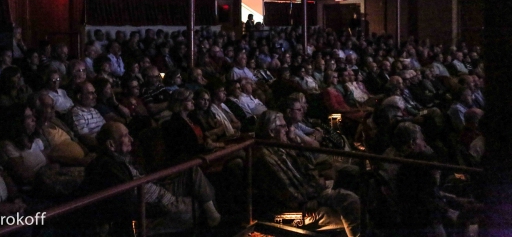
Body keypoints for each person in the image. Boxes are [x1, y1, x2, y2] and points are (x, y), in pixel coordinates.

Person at [82, 122, 221, 235]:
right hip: (155, 203)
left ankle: (212, 215)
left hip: (158, 188)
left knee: (192, 171)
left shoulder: (123, 159)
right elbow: (128, 202)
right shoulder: (109, 168)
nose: (131, 139)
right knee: (197, 206)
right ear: (111, 145)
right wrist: (164, 205)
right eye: (125, 136)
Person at [253, 110, 361, 237]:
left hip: (311, 194)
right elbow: (285, 189)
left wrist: (296, 143)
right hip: (296, 209)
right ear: (271, 132)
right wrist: (312, 198)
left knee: (352, 187)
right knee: (350, 204)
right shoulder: (265, 157)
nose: (287, 129)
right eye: (283, 126)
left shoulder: (283, 147)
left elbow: (310, 167)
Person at [70, 81, 106, 148]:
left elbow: (105, 127)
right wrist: (104, 145)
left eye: (94, 93)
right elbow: (85, 137)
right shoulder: (77, 112)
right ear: (79, 96)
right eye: (91, 93)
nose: (95, 96)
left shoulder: (94, 110)